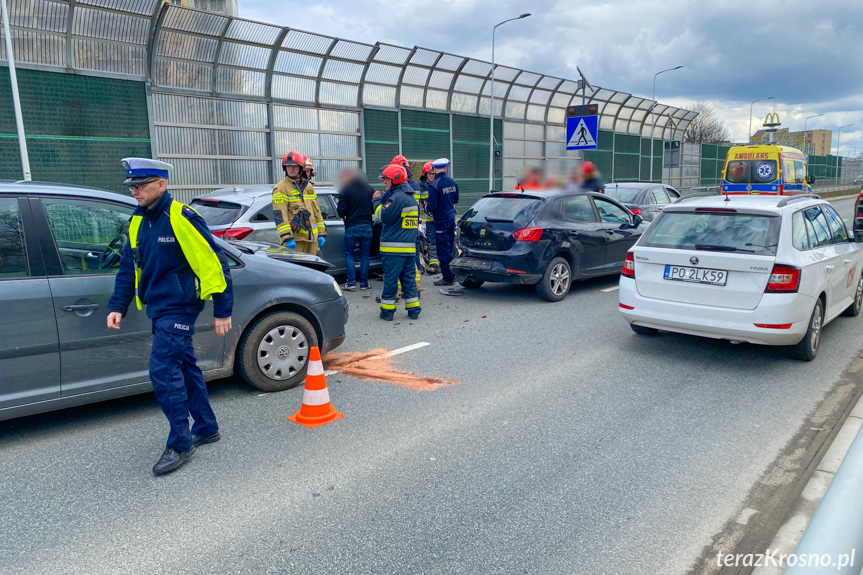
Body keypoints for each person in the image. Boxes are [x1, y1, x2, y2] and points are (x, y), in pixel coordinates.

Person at [107, 158, 233, 476]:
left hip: (180, 306)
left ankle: (180, 443)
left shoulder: (182, 217)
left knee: (163, 370)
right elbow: (128, 268)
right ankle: (205, 426)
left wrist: (222, 310)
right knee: (183, 366)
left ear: (161, 185)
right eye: (132, 186)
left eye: (141, 185)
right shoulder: (138, 221)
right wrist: (117, 305)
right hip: (158, 307)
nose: (135, 191)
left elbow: (215, 263)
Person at [374, 164, 421, 321]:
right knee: (409, 280)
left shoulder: (397, 198)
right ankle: (414, 310)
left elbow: (384, 217)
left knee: (391, 281)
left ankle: (387, 312)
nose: (384, 182)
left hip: (393, 250)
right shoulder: (410, 198)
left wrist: (376, 202)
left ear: (394, 179)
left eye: (386, 179)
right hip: (408, 249)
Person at [272, 151, 327, 255]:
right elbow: (280, 215)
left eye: (294, 166)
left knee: (313, 270)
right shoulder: (281, 188)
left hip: (312, 241)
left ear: (300, 167)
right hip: (295, 241)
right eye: (288, 166)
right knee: (296, 270)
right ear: (285, 168)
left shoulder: (308, 187)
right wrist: (287, 237)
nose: (291, 169)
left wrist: (321, 233)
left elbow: (317, 212)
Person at [336, 167, 374, 291]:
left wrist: (345, 215)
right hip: (367, 226)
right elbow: (374, 208)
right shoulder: (369, 189)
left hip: (352, 226)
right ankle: (364, 283)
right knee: (365, 255)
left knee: (349, 254)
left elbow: (340, 210)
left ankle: (351, 282)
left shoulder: (345, 190)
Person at [426, 157, 459, 286]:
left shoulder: (434, 185)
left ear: (435, 169)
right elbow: (455, 200)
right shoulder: (453, 182)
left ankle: (447, 277)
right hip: (451, 218)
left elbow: (432, 206)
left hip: (440, 220)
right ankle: (453, 274)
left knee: (442, 248)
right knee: (451, 247)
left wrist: (427, 207)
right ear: (445, 168)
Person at [392, 155, 425, 277]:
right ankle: (416, 278)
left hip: (401, 226)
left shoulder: (400, 188)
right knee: (413, 253)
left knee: (402, 257)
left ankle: (404, 281)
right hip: (413, 223)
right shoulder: (416, 185)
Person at [419, 161, 440, 274]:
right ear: (425, 174)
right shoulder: (420, 187)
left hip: (439, 219)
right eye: (429, 174)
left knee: (442, 241)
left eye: (433, 173)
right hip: (430, 220)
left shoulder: (438, 184)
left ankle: (442, 264)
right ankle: (434, 265)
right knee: (431, 241)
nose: (432, 175)